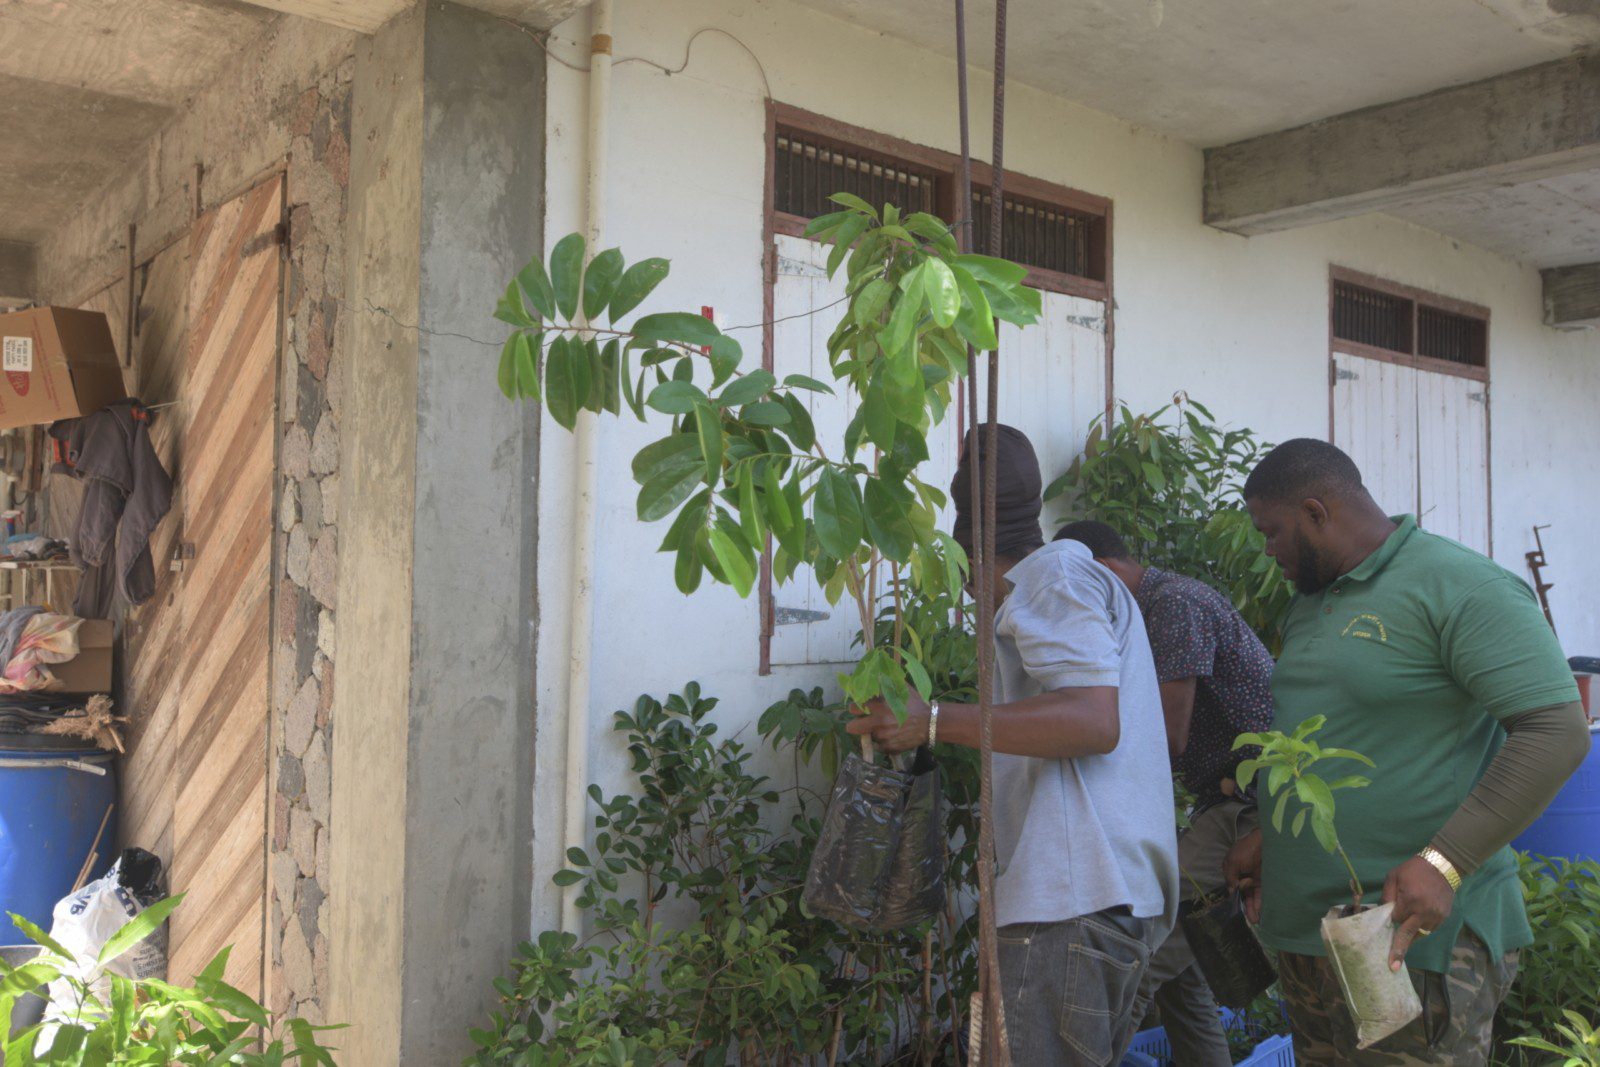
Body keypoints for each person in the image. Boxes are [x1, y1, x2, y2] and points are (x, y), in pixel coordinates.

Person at [1224, 438, 1589, 1065]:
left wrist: (1445, 861)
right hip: (1313, 939)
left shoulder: (1462, 586)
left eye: (1272, 532)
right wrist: (1271, 831)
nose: (1267, 550)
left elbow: (1557, 731)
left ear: (1315, 512)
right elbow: (1338, 733)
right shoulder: (1310, 602)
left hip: (1412, 938)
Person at [848, 425, 1179, 1066]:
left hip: (1072, 904)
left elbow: (1092, 721)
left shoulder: (1052, 576)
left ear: (967, 552)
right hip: (1098, 906)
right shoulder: (1065, 582)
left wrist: (932, 720)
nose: (968, 596)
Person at [1055, 519, 1274, 1067]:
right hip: (1224, 801)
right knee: (1182, 974)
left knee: (1137, 955)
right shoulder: (1153, 608)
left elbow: (1165, 739)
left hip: (1248, 807)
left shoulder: (1174, 605)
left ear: (1100, 572)